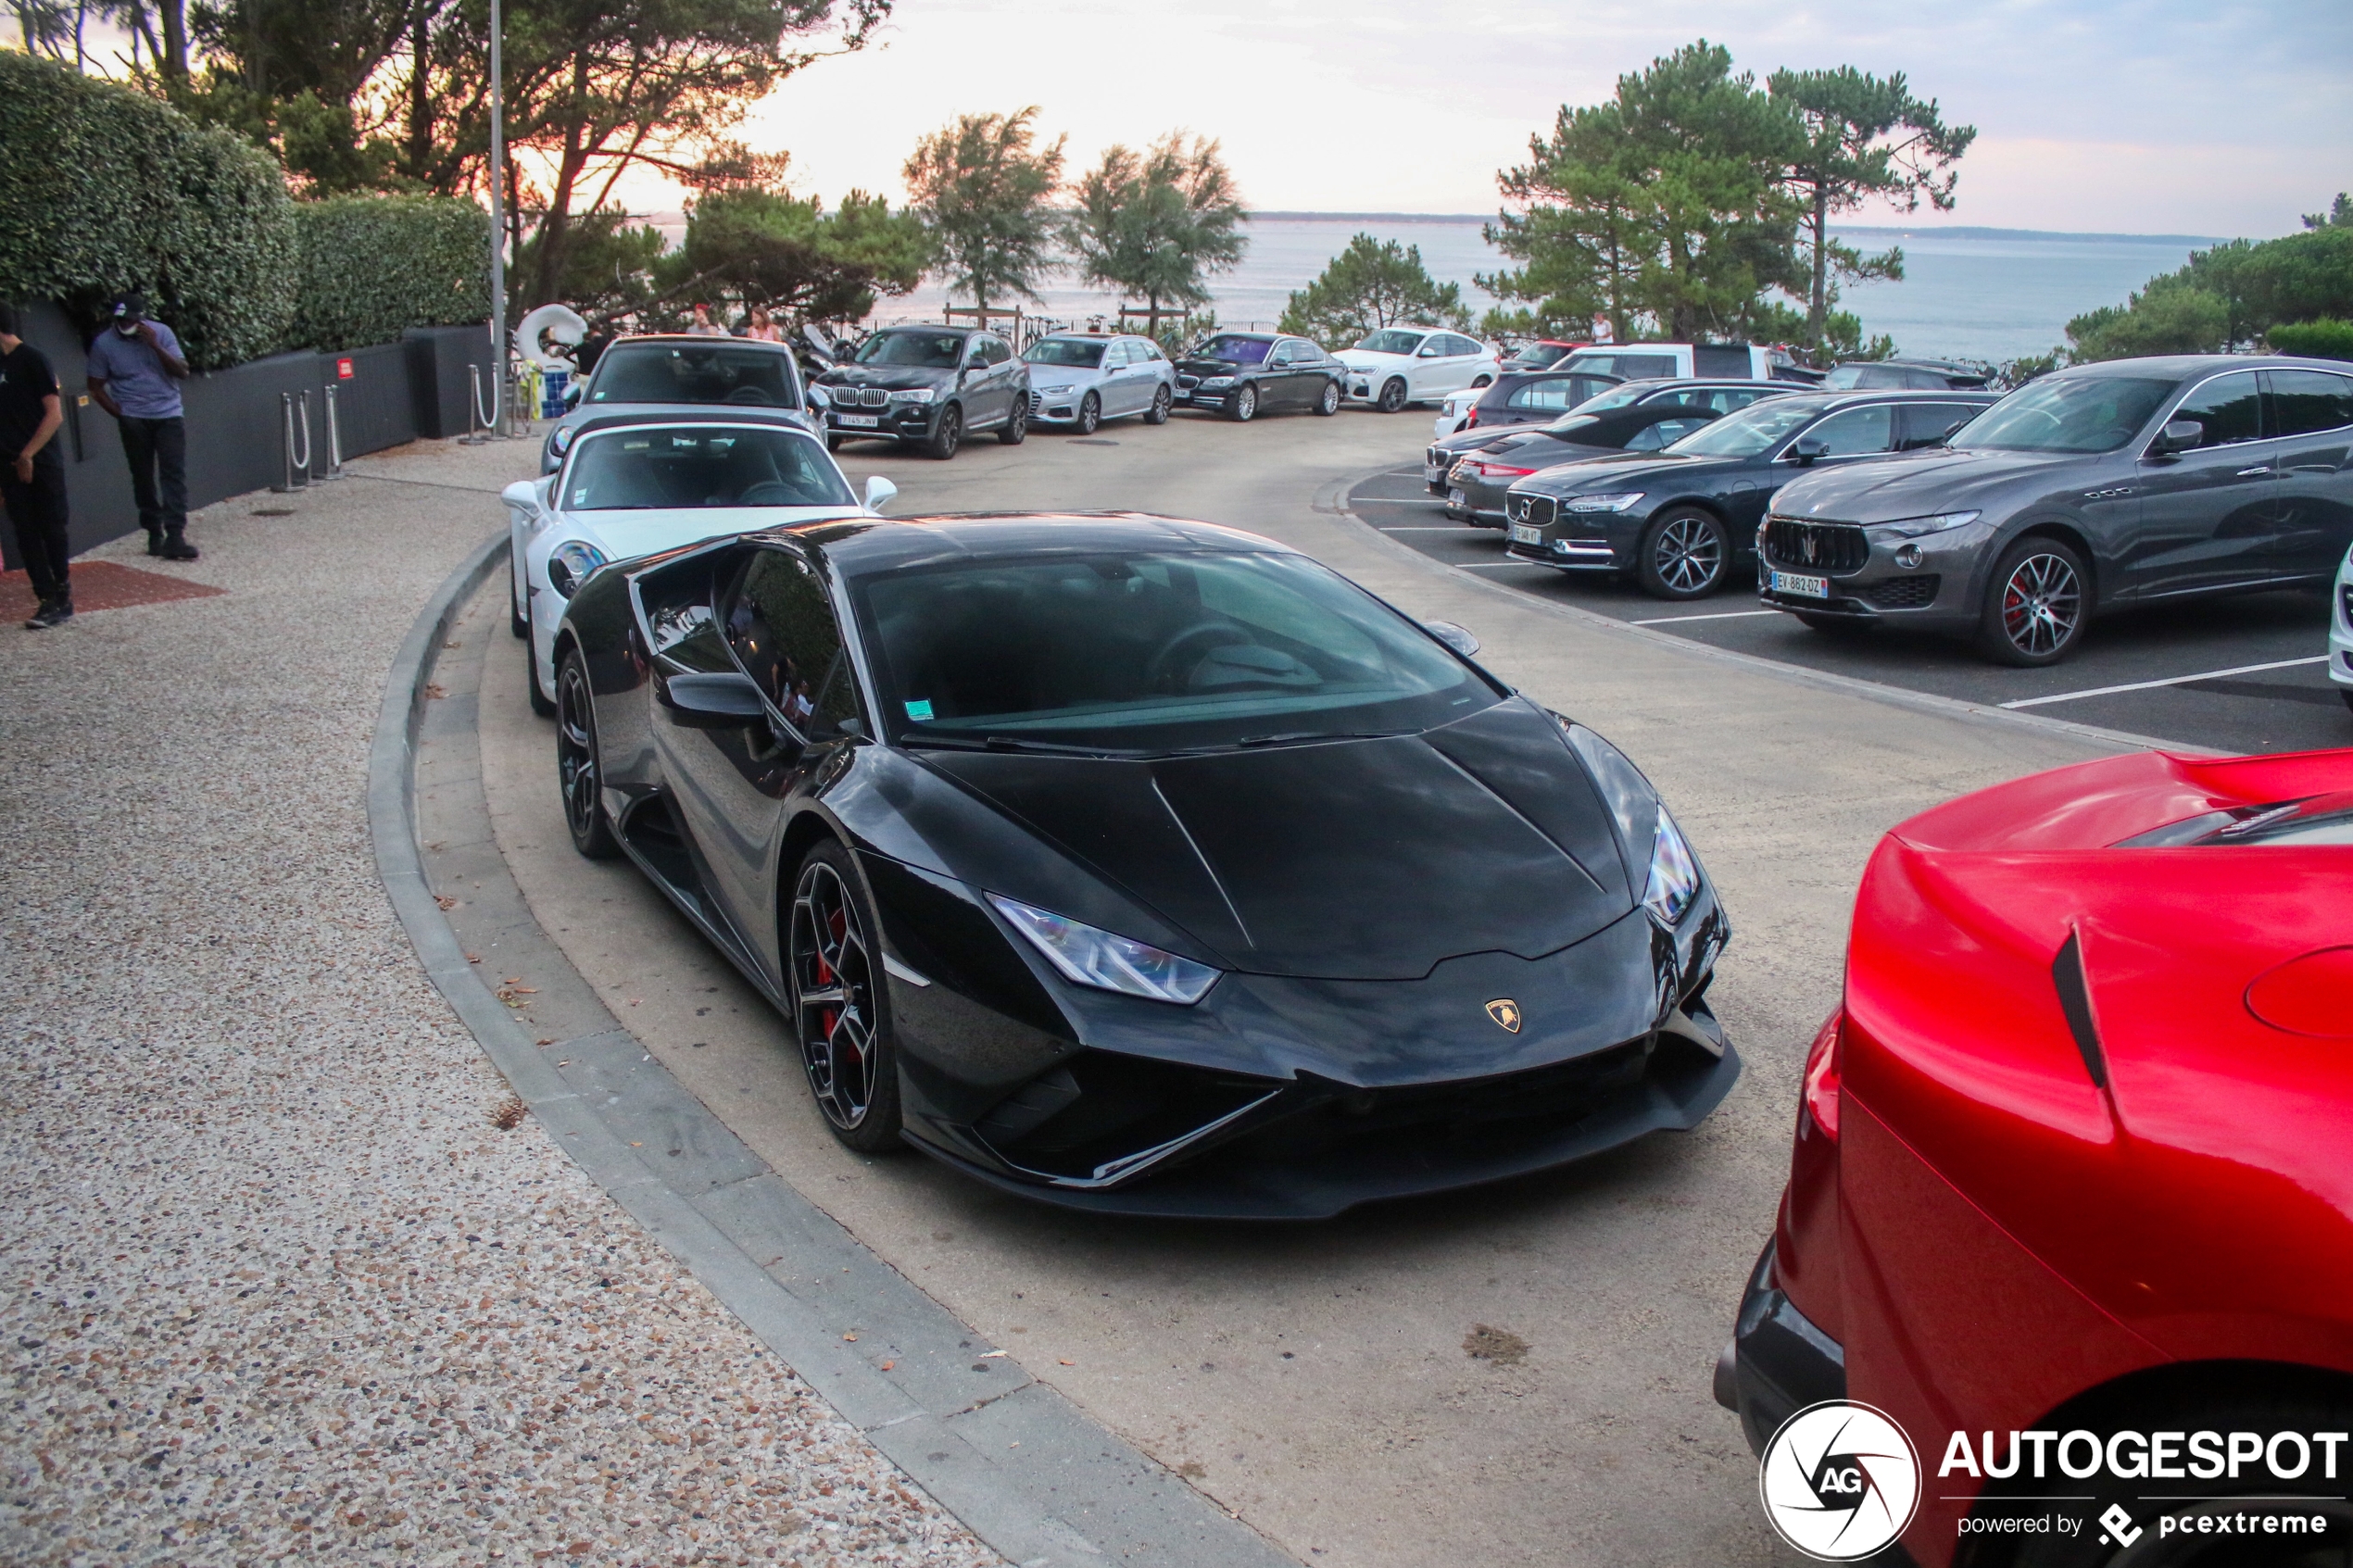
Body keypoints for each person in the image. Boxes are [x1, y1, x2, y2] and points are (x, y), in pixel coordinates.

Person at [86, 292, 195, 560]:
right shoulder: (104, 344)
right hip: (133, 417)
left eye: (131, 320)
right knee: (142, 475)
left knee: (173, 474)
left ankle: (175, 535)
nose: (125, 326)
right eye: (121, 321)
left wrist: (155, 346)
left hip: (168, 413)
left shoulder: (162, 333)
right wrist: (119, 413)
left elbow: (182, 371)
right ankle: (154, 532)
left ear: (142, 319)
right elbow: (95, 386)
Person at [0, 303, 72, 629]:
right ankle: (45, 599)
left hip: (40, 460)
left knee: (52, 529)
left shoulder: (32, 360)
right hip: (9, 462)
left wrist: (28, 454)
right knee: (25, 533)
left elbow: (54, 414)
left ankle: (63, 594)